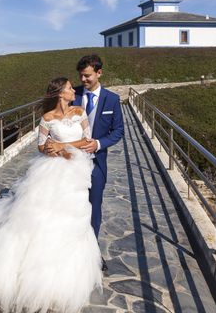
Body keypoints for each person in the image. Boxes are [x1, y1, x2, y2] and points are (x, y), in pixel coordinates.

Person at [0, 77, 102, 313]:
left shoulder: (80, 112)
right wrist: (50, 148)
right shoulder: (47, 119)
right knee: (41, 216)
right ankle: (32, 273)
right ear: (60, 93)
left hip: (76, 171)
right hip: (51, 170)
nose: (73, 91)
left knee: (74, 219)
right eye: (70, 88)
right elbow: (40, 146)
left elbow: (87, 141)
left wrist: (63, 147)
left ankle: (66, 273)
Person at [47, 54, 124, 270]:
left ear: (99, 73)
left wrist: (99, 144)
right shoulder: (73, 94)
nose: (84, 80)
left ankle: (92, 252)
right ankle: (65, 249)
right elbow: (53, 117)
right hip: (69, 163)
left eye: (88, 75)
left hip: (97, 162)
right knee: (68, 205)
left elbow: (118, 131)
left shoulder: (112, 99)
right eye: (81, 76)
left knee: (94, 206)